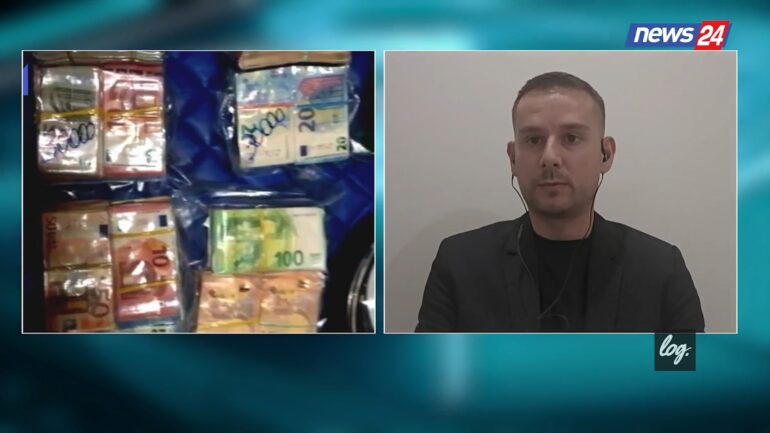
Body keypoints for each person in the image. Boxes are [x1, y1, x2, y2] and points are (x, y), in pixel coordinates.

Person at [416, 72, 705, 333]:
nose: (550, 157)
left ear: (605, 154)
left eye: (571, 138)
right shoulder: (459, 264)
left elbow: (683, 372)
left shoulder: (660, 269)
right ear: (513, 158)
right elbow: (431, 371)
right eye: (533, 140)